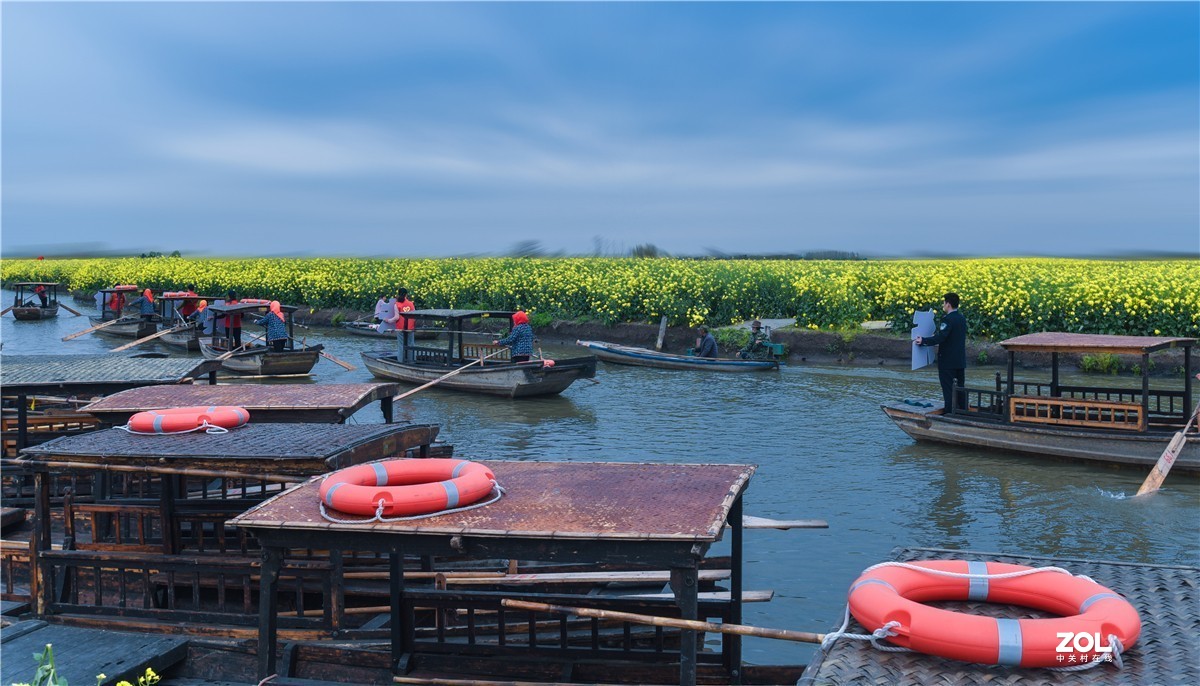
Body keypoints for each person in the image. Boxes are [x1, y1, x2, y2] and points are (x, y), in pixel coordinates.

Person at [916, 292, 968, 412]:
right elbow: (953, 336)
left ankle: (950, 413)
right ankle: (964, 411)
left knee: (948, 388)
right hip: (960, 360)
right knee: (960, 388)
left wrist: (923, 340)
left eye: (944, 303)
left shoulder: (948, 319)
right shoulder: (961, 318)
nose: (943, 305)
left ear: (948, 304)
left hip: (948, 362)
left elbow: (941, 338)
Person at [385, 288, 417, 361]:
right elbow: (415, 316)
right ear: (406, 294)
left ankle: (401, 361)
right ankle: (411, 361)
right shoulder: (411, 303)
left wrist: (388, 321)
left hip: (400, 328)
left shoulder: (397, 304)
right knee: (411, 344)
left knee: (401, 346)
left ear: (398, 294)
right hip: (410, 328)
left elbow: (396, 317)